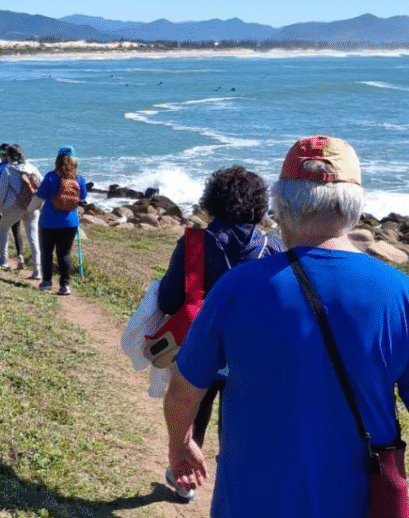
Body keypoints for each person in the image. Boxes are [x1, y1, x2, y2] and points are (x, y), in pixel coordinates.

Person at [164, 135, 409, 518]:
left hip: (252, 500)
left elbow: (183, 391)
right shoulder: (399, 292)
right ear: (355, 208)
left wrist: (179, 446)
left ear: (281, 205)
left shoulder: (238, 287)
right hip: (361, 501)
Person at [156, 165, 283, 501]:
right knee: (240, 424)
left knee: (194, 408)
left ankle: (184, 479)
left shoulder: (194, 243)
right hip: (254, 354)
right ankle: (238, 489)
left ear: (211, 200)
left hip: (200, 347)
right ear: (260, 205)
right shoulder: (273, 249)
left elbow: (169, 298)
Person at [27, 146, 87, 296]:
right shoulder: (79, 179)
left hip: (48, 221)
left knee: (46, 252)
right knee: (64, 253)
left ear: (57, 160)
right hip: (70, 222)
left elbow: (38, 199)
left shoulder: (50, 177)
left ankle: (47, 282)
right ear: (74, 161)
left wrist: (28, 211)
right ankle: (65, 286)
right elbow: (83, 198)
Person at [0, 144, 43, 278]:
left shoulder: (8, 170)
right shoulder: (32, 167)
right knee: (33, 238)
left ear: (9, 156)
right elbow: (41, 186)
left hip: (14, 206)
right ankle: (37, 270)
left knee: (3, 228)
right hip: (31, 205)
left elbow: (1, 194)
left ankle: (4, 260)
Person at [0, 142, 24, 270]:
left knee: (3, 229)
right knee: (17, 230)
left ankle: (3, 257)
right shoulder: (18, 167)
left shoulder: (0, 167)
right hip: (19, 203)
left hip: (6, 203)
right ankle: (20, 256)